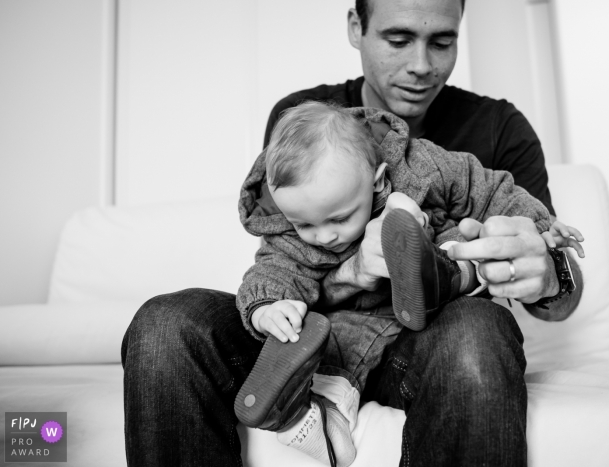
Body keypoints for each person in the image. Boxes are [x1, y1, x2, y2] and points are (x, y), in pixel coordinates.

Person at [121, 0, 584, 465]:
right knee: (164, 325)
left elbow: (555, 281)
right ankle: (310, 392)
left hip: (425, 335)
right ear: (355, 26)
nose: (421, 66)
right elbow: (284, 256)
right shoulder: (299, 123)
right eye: (398, 40)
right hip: (316, 332)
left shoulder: (495, 130)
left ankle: (434, 277)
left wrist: (548, 269)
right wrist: (345, 275)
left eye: (442, 41)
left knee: (477, 328)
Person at [233, 101, 568, 466]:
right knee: (332, 359)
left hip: (434, 317)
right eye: (305, 225)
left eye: (339, 218)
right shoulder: (290, 225)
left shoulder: (420, 166)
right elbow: (273, 268)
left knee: (462, 248)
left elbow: (487, 189)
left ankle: (441, 268)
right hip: (351, 333)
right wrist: (268, 307)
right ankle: (307, 410)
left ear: (377, 179)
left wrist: (541, 227)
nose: (324, 236)